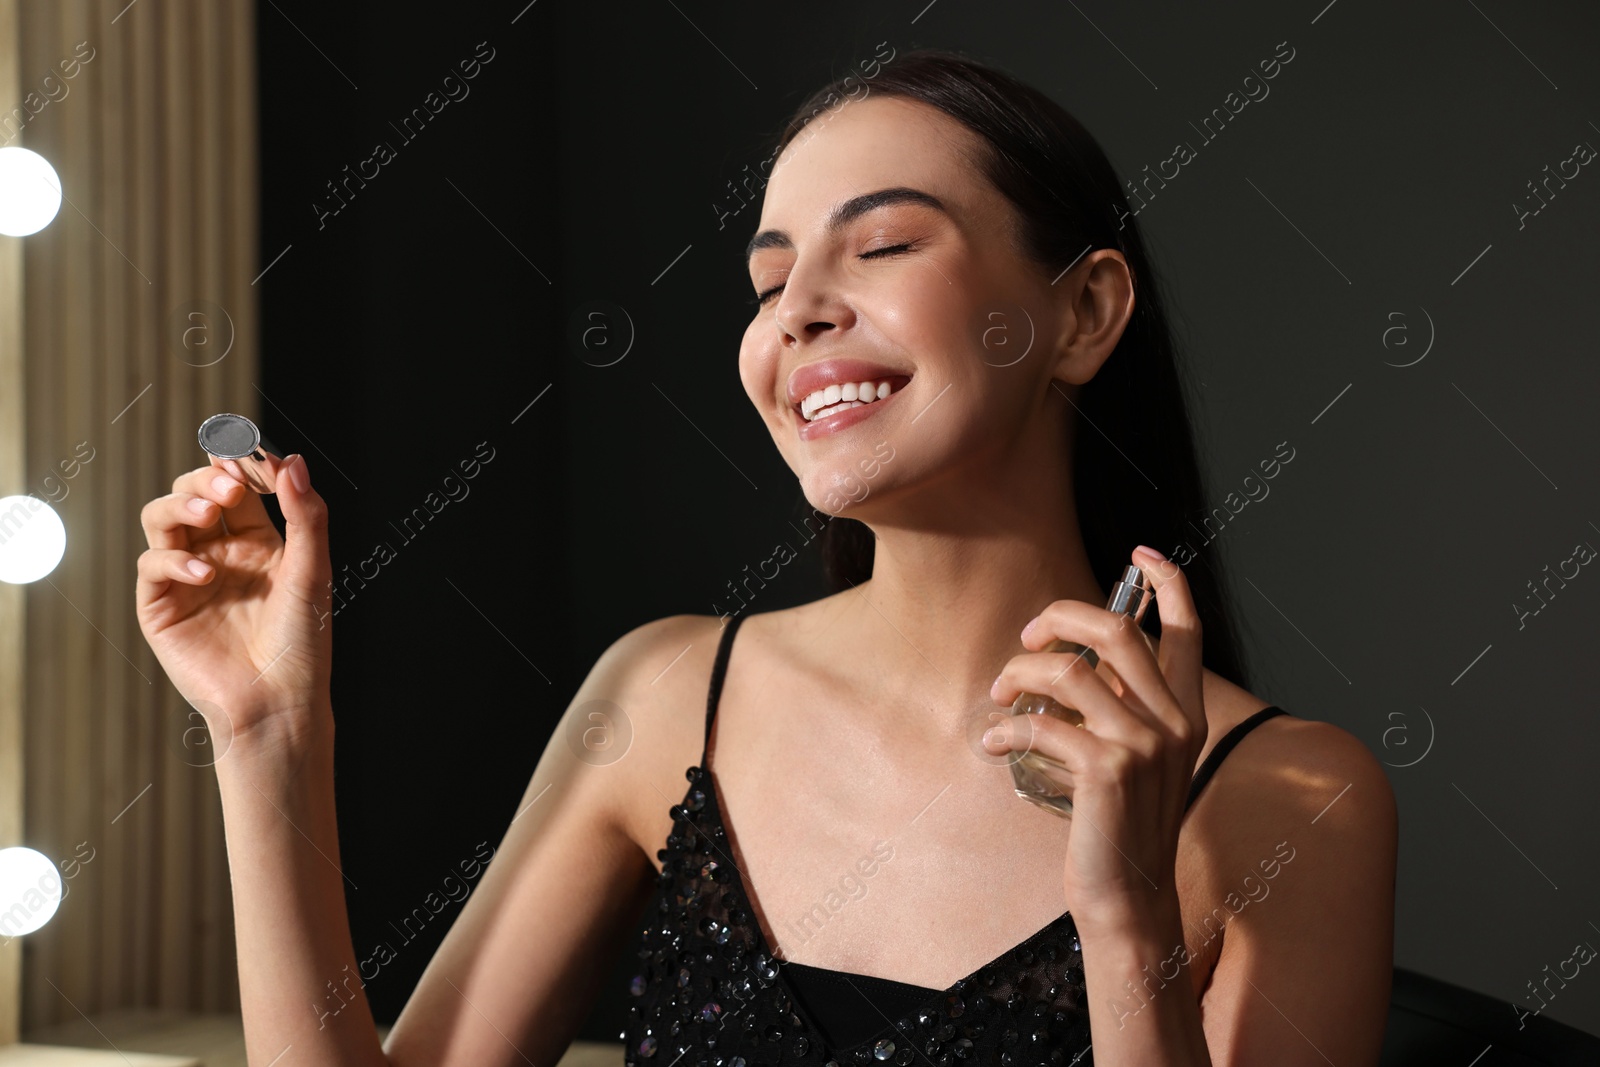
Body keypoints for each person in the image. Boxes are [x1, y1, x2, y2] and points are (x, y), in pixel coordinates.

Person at [136, 47, 1396, 1067]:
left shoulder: (1292, 798)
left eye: (886, 245)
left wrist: (1126, 912)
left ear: (1081, 312)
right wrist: (264, 731)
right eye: (767, 276)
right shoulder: (665, 692)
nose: (798, 309)